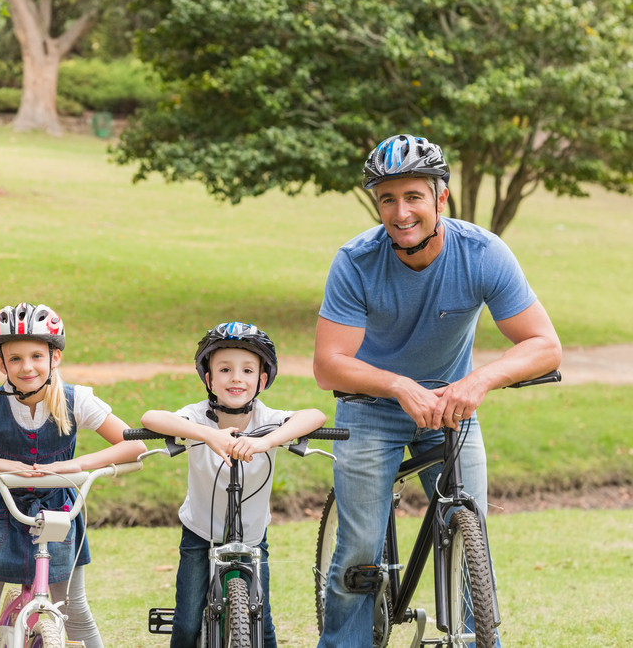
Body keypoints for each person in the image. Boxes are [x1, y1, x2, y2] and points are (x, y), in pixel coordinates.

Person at [312, 135, 562, 647]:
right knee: (360, 545)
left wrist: (478, 380)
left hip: (451, 408)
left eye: (413, 197)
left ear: (440, 198)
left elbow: (544, 344)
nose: (401, 212)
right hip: (369, 408)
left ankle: (476, 640)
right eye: (387, 199)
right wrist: (398, 385)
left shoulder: (482, 253)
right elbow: (328, 365)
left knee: (471, 531)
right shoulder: (356, 260)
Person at [0, 302, 147, 648]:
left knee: (76, 611)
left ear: (55, 358)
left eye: (37, 356)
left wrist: (75, 465)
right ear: (1, 364)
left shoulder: (76, 401)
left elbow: (134, 446)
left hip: (58, 514)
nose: (27, 367)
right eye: (15, 359)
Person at [141, 322, 328, 648]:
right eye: (225, 369)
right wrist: (209, 435)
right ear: (209, 379)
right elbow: (150, 418)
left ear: (262, 379)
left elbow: (314, 415)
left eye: (247, 370)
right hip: (200, 535)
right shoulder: (197, 417)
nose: (236, 378)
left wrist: (266, 441)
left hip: (253, 539)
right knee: (185, 625)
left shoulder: (267, 420)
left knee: (263, 625)